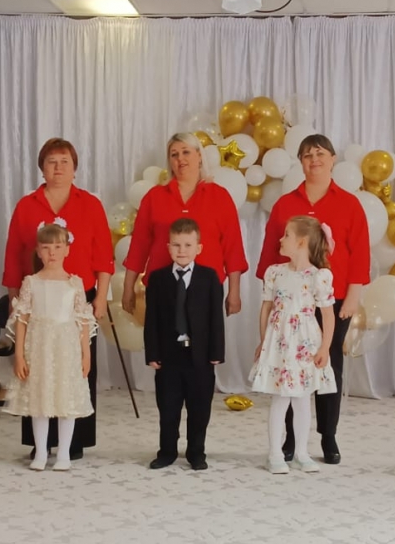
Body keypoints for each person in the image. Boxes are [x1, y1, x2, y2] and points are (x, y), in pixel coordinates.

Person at [257, 134, 370, 465]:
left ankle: (328, 435)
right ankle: (291, 439)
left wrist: (352, 296)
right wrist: (272, 303)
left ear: (333, 159)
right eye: (307, 155)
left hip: (332, 300)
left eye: (320, 154)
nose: (314, 160)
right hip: (292, 303)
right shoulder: (285, 204)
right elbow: (270, 253)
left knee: (327, 362)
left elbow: (360, 253)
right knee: (291, 366)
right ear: (301, 162)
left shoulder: (349, 204)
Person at [3, 138, 113, 461]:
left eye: (65, 161)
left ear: (75, 168)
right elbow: (14, 255)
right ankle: (40, 442)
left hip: (77, 301)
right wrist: (14, 299)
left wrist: (101, 297)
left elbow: (104, 255)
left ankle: (74, 442)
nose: (58, 167)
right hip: (36, 301)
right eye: (52, 161)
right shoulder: (27, 206)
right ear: (42, 168)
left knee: (75, 370)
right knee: (36, 371)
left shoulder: (90, 204)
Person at [122, 132, 248, 317]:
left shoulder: (220, 197)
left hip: (207, 289)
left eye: (186, 152)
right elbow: (138, 246)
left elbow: (233, 247)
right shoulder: (154, 197)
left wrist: (234, 291)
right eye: (174, 154)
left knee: (205, 337)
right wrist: (128, 287)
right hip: (161, 289)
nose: (180, 158)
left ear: (199, 156)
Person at [4, 223, 97, 472]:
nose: (52, 253)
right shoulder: (31, 282)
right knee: (40, 398)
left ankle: (64, 453)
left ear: (67, 249)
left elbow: (83, 320)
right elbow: (22, 319)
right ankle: (41, 451)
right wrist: (19, 354)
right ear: (38, 251)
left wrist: (86, 354)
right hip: (39, 347)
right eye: (46, 248)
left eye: (57, 247)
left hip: (67, 347)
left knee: (66, 398)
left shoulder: (75, 283)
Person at [251, 216, 336, 475]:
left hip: (305, 344)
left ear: (301, 242)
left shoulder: (319, 276)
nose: (281, 238)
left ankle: (301, 452)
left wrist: (325, 348)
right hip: (280, 342)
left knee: (302, 400)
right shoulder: (275, 272)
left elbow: (328, 315)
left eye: (286, 235)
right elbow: (266, 309)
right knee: (280, 398)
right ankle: (275, 453)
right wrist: (263, 341)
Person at [144, 218, 225, 471]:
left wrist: (216, 351)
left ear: (198, 248)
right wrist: (152, 352)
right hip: (169, 356)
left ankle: (196, 452)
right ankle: (167, 451)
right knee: (168, 407)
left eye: (188, 245)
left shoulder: (209, 277)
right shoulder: (157, 279)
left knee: (199, 408)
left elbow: (216, 318)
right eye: (176, 245)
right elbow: (151, 319)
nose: (182, 250)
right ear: (168, 247)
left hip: (200, 356)